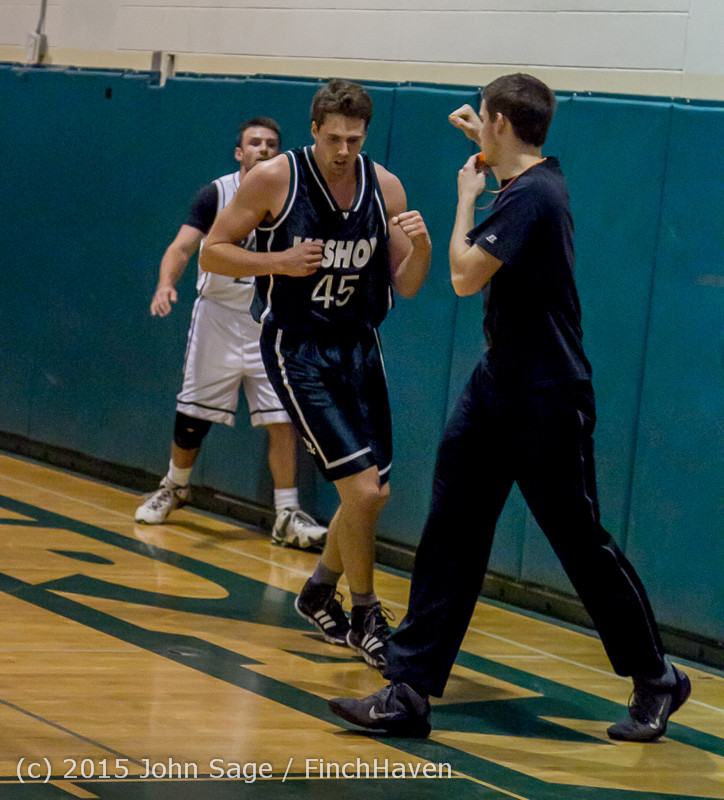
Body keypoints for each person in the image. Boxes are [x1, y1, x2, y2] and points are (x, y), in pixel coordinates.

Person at [328, 73, 690, 740]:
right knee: (451, 531)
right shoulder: (529, 179)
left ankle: (657, 676)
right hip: (497, 386)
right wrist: (485, 148)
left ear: (500, 121)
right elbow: (509, 175)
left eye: (485, 121)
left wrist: (464, 198)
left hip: (548, 397)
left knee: (580, 543)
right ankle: (408, 691)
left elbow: (464, 275)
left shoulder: (533, 196)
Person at [201, 80, 431, 670]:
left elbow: (406, 284)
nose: (344, 150)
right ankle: (367, 614)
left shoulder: (386, 187)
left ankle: (318, 589)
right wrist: (276, 261)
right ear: (314, 131)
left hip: (359, 347)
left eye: (354, 139)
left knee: (373, 494)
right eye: (334, 138)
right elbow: (213, 251)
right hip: (298, 348)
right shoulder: (276, 178)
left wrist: (422, 248)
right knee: (358, 490)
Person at [135, 117, 327, 551]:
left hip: (272, 319)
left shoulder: (294, 194)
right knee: (193, 412)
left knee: (282, 417)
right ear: (239, 153)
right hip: (219, 316)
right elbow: (182, 247)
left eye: (271, 144)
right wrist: (166, 283)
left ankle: (287, 512)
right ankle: (175, 485)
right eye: (253, 142)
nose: (263, 148)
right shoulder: (216, 193)